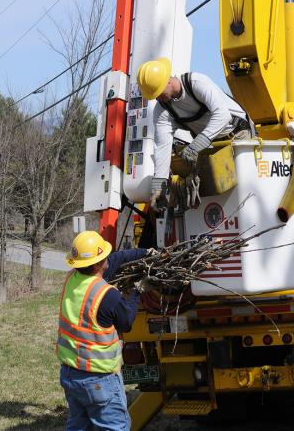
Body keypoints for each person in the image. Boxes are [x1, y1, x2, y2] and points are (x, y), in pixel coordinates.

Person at [57, 230, 154, 431]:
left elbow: (117, 258)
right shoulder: (106, 295)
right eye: (103, 257)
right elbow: (126, 320)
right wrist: (137, 291)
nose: (107, 259)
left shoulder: (72, 278)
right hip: (98, 380)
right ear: (97, 264)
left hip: (70, 374)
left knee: (79, 425)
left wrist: (146, 252)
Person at [136, 57, 254, 208]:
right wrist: (159, 186)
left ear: (168, 80)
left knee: (244, 191)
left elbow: (223, 115)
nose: (158, 98)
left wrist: (195, 146)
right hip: (213, 144)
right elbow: (162, 148)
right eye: (154, 95)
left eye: (159, 92)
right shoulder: (162, 110)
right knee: (218, 196)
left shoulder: (196, 83)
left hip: (238, 135)